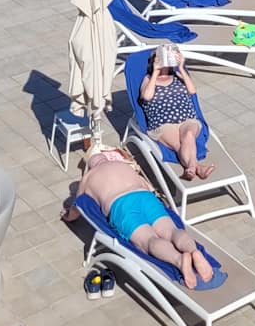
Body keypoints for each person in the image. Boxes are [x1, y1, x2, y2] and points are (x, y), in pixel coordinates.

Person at [61, 145, 214, 289]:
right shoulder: (125, 166)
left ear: (90, 166)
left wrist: (68, 216)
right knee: (172, 231)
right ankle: (193, 250)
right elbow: (148, 187)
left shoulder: (89, 177)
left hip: (121, 205)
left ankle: (179, 260)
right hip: (145, 197)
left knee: (149, 240)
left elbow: (79, 205)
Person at [139, 48, 215, 181]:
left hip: (187, 119)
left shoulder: (178, 75)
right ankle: (197, 168)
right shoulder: (148, 79)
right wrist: (156, 72)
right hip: (162, 123)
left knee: (189, 135)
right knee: (179, 146)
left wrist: (181, 67)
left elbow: (192, 91)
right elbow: (147, 96)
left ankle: (191, 169)